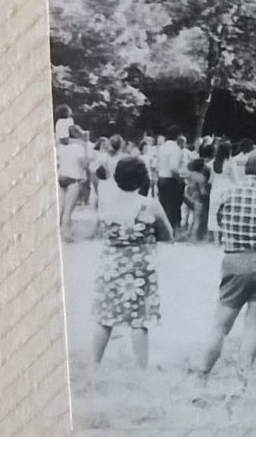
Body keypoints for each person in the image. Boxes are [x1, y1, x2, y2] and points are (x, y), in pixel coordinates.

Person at [198, 150, 256, 380]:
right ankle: (243, 376)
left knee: (220, 325)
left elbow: (219, 223)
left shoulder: (226, 194)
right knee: (253, 325)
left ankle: (202, 374)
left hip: (236, 262)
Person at [91, 156, 172, 370]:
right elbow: (168, 235)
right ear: (143, 179)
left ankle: (94, 365)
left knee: (105, 319)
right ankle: (141, 370)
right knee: (139, 320)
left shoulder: (106, 202)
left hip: (110, 265)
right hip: (139, 269)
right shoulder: (149, 205)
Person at [56, 125, 91, 242]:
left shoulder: (61, 146)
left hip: (61, 177)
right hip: (73, 179)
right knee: (68, 209)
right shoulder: (79, 147)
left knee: (60, 207)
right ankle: (67, 234)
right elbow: (84, 164)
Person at [154, 132, 187, 230]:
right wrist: (180, 179)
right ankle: (173, 229)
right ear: (177, 137)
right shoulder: (175, 149)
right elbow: (173, 168)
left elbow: (157, 165)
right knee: (173, 206)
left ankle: (162, 229)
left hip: (161, 178)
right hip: (171, 180)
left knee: (163, 205)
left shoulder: (162, 147)